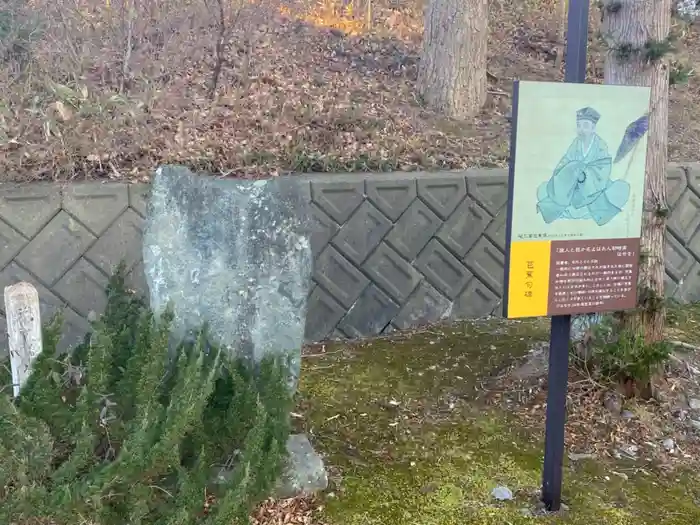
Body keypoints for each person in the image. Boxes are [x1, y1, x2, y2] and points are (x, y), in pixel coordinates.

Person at [536, 106, 630, 226]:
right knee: (544, 189)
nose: (581, 129)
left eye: (585, 126)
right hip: (572, 186)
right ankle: (576, 210)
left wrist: (584, 173)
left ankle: (574, 211)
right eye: (579, 125)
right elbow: (565, 161)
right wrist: (568, 170)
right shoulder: (576, 143)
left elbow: (602, 167)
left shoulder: (600, 145)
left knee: (621, 188)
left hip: (594, 188)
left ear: (593, 128)